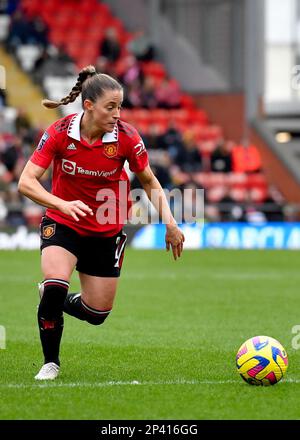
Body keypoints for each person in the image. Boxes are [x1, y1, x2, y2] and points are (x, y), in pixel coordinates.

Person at [18, 65, 185, 380]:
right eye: (111, 107)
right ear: (88, 106)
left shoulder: (126, 138)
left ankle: (52, 298)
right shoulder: (57, 133)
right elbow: (26, 182)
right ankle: (50, 363)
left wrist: (171, 223)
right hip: (63, 222)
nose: (117, 114)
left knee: (97, 313)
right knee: (56, 282)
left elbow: (149, 181)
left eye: (120, 106)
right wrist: (62, 205)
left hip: (106, 230)